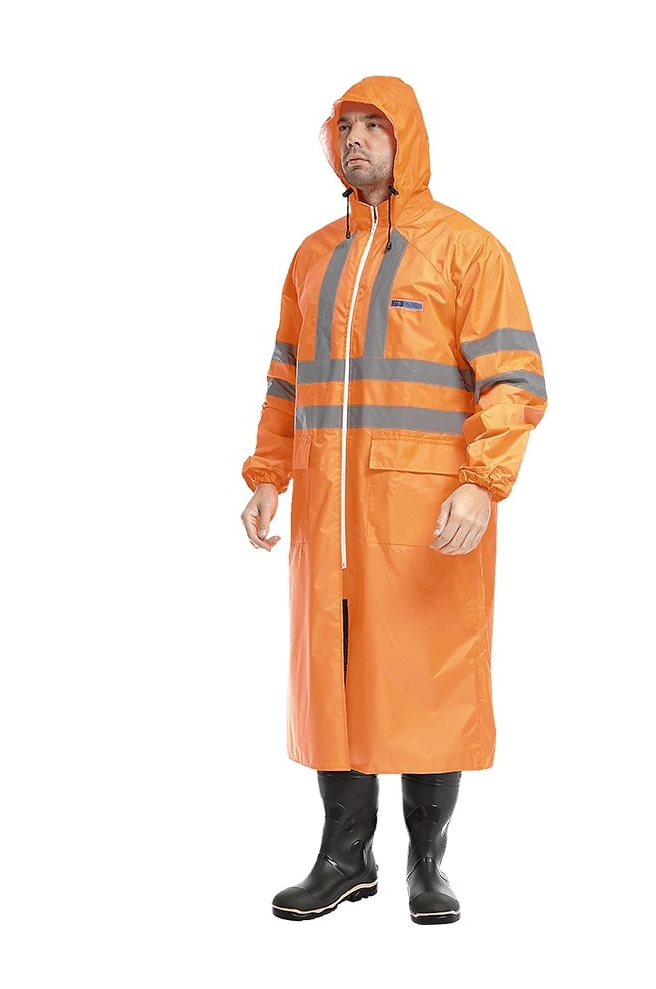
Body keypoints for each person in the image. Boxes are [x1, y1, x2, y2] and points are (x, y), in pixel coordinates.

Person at [240, 76, 547, 925]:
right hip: (326, 519)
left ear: (406, 137)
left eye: (374, 126)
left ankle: (426, 864)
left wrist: (483, 485)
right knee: (334, 677)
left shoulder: (467, 250)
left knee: (425, 676)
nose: (356, 140)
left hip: (427, 515)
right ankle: (345, 858)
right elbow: (285, 379)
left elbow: (515, 382)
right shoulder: (313, 257)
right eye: (345, 126)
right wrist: (267, 475)